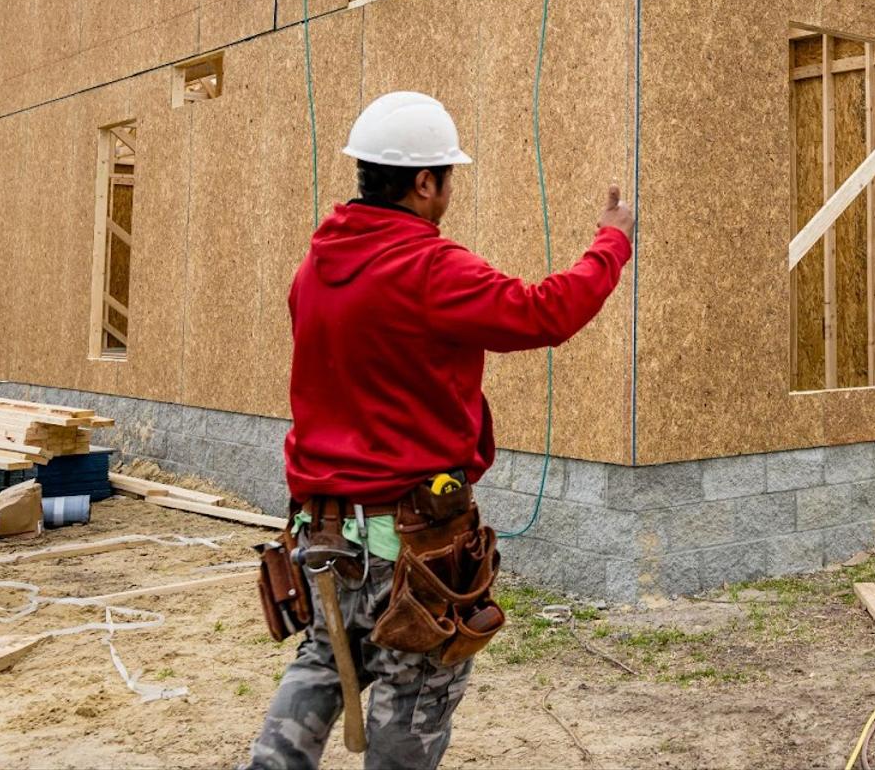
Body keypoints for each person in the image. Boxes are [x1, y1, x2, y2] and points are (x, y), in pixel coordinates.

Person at [247, 91, 634, 769]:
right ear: (424, 182)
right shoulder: (430, 269)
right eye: (449, 178)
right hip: (409, 547)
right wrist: (612, 242)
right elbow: (544, 313)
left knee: (324, 659)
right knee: (415, 691)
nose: (450, 190)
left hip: (324, 537)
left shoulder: (313, 272)